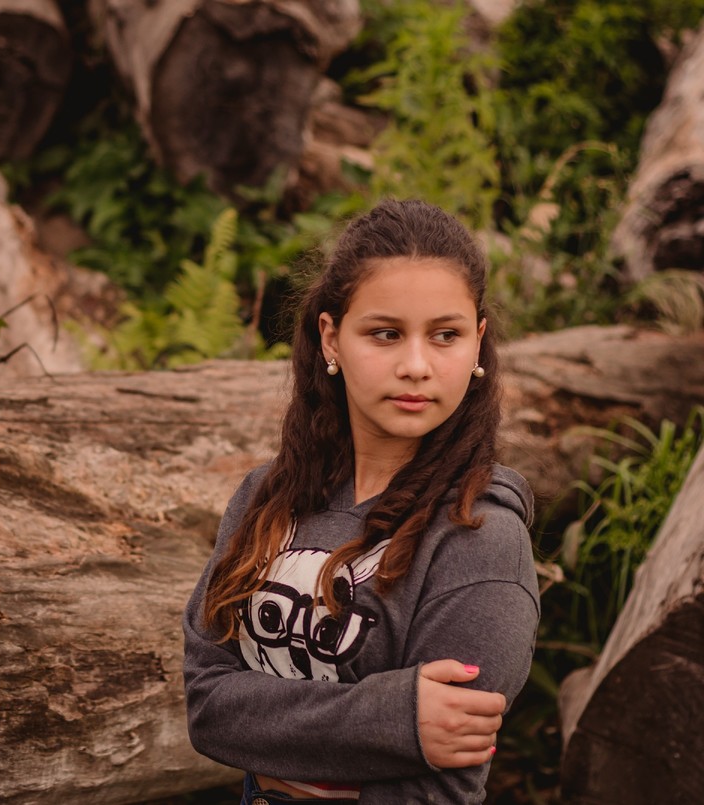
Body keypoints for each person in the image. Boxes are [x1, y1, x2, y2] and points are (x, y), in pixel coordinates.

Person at [182, 198, 540, 803]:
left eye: (445, 335)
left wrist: (270, 735)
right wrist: (398, 718)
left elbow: (441, 787)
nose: (416, 365)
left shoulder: (480, 538)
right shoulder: (265, 499)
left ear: (478, 344)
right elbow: (209, 705)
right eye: (385, 334)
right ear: (332, 338)